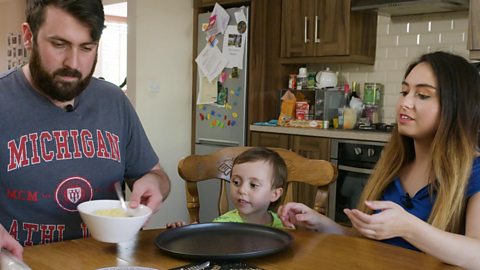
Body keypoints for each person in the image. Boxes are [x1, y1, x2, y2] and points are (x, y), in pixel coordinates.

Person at [0, 0, 170, 260]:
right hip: (23, 262)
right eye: (59, 45)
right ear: (28, 36)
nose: (74, 63)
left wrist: (155, 183)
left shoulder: (114, 101)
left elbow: (155, 175)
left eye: (87, 47)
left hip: (110, 260)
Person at [278, 51, 480, 269]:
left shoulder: (474, 172)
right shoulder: (395, 165)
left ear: (457, 106)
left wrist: (408, 227)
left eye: (422, 95)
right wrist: (320, 223)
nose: (405, 102)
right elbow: (369, 243)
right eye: (404, 92)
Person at [167, 147, 286, 229]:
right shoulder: (222, 225)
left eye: (253, 185)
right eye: (236, 182)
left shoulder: (284, 225)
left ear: (274, 194)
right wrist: (183, 234)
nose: (242, 190)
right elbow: (202, 247)